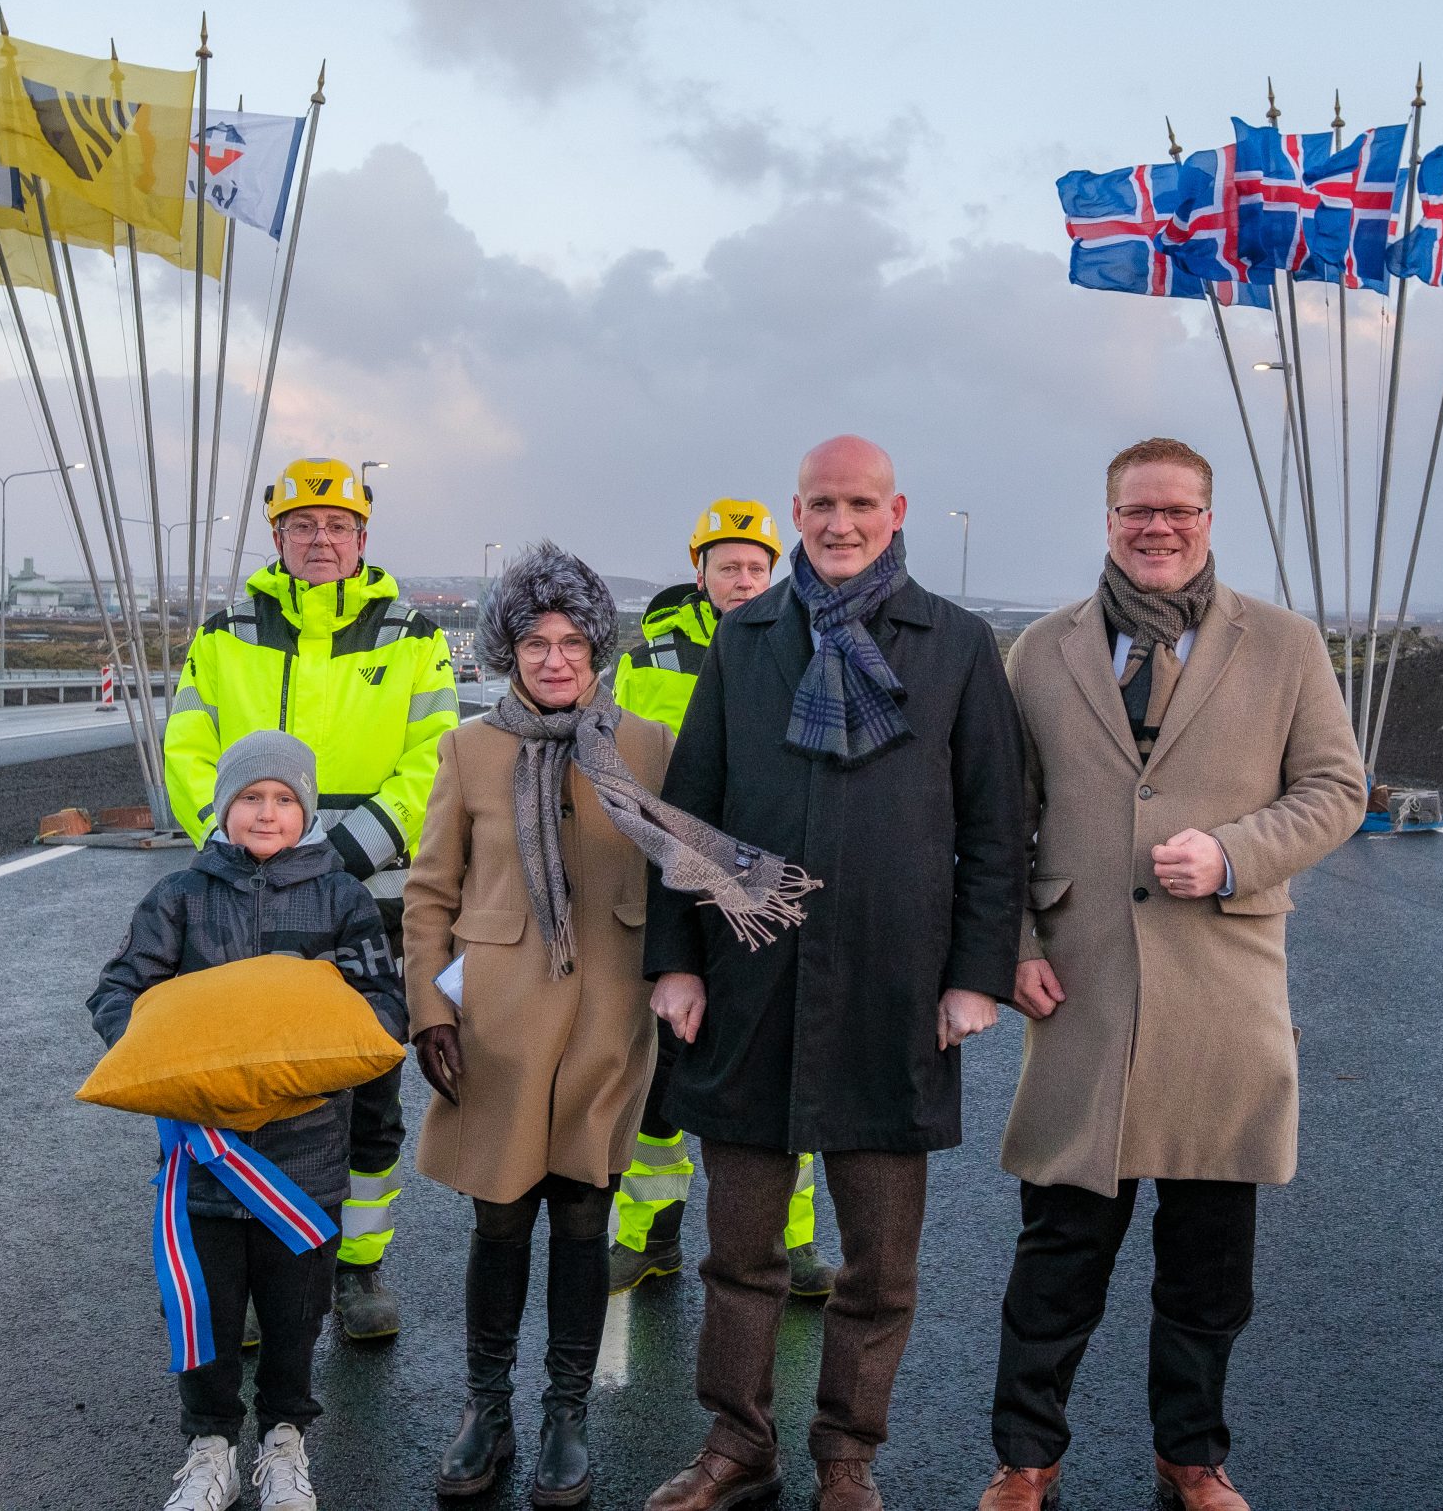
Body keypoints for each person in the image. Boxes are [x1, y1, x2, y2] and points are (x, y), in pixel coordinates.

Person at [975, 438, 1366, 1511]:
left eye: (1178, 511)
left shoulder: (1283, 645)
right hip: (1083, 986)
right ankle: (1025, 1458)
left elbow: (1337, 789)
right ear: (1108, 521)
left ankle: (1191, 1456)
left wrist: (1234, 852)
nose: (1158, 527)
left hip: (1221, 994)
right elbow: (1000, 817)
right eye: (1138, 510)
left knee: (1208, 1263)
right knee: (1058, 1252)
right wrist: (1015, 944)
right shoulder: (1040, 651)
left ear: (1208, 520)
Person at [642, 436, 1025, 1511]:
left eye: (860, 503)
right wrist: (675, 962)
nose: (840, 522)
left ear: (895, 511)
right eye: (821, 504)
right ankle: (738, 1446)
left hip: (894, 992)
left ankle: (847, 1456)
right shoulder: (746, 636)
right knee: (740, 1254)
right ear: (796, 511)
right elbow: (689, 812)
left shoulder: (957, 644)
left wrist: (975, 976)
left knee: (879, 1266)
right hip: (750, 982)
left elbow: (997, 824)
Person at [405, 544, 816, 1507]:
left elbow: (686, 867)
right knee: (500, 1216)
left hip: (606, 1015)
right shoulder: (470, 749)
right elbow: (430, 894)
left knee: (585, 1215)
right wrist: (429, 1008)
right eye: (535, 643)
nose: (555, 659)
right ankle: (486, 1408)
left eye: (573, 641)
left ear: (599, 647)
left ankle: (566, 1413)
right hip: (496, 1024)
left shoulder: (646, 745)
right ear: (508, 651)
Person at [165, 457, 457, 1343]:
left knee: (367, 1091)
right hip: (244, 899)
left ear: (362, 538)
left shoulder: (413, 635)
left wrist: (338, 852)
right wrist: (238, 847)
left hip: (371, 900)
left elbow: (435, 759)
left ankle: (359, 1268)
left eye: (337, 526)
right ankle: (254, 1275)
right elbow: (188, 749)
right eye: (303, 525)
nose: (320, 539)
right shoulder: (223, 634)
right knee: (247, 1088)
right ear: (278, 537)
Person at [90, 731, 405, 1511]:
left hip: (305, 1167)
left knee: (296, 1319)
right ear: (224, 806)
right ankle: (210, 1447)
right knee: (207, 1314)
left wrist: (311, 1051)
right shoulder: (179, 896)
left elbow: (382, 1009)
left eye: (285, 798)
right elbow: (118, 991)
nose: (267, 812)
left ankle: (285, 1442)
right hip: (204, 1163)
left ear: (308, 810)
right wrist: (168, 1056)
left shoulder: (344, 900)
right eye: (251, 797)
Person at [609, 500, 837, 1302]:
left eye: (755, 566)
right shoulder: (648, 656)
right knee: (660, 1080)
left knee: (781, 1075)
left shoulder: (807, 646)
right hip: (677, 886)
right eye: (728, 565)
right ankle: (649, 1236)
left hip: (765, 892)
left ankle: (793, 1243)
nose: (743, 579)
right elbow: (629, 772)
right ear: (698, 569)